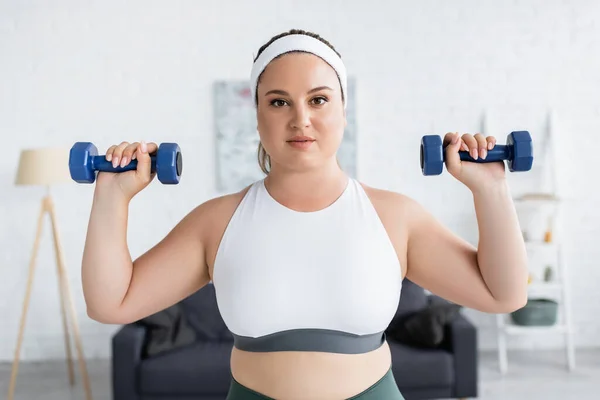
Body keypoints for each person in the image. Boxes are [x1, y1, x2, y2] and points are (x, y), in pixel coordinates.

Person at [81, 29, 529, 400]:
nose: (301, 119)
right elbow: (110, 303)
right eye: (279, 102)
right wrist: (112, 196)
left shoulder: (396, 217)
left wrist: (490, 189)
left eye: (318, 100)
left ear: (343, 111)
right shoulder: (216, 222)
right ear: (257, 116)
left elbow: (503, 295)